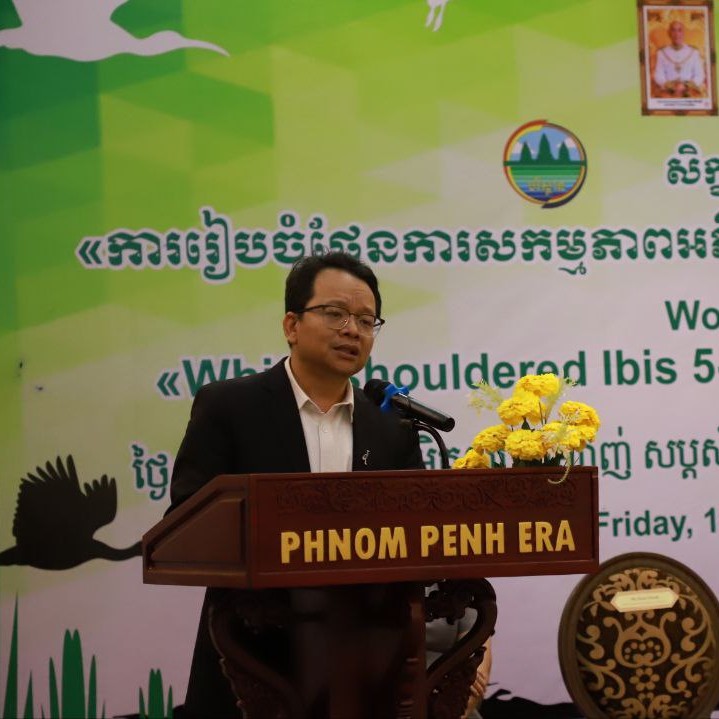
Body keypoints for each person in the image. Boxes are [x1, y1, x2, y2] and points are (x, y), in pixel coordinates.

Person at [168, 251, 425, 718]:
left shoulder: (393, 431)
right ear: (291, 325)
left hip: (363, 668)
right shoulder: (230, 407)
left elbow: (416, 536)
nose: (352, 330)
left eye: (366, 321)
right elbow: (187, 518)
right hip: (249, 658)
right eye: (335, 313)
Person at [653, 20, 706, 96]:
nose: (676, 34)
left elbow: (700, 75)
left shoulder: (693, 52)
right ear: (669, 33)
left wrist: (686, 86)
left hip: (689, 91)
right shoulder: (661, 52)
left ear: (684, 33)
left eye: (679, 30)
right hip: (668, 92)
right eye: (673, 30)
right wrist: (669, 86)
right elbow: (658, 75)